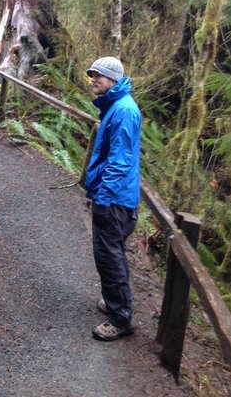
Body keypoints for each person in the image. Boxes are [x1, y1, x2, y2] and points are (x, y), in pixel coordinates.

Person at [84, 56, 141, 341]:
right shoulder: (115, 106)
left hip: (116, 200)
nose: (93, 79)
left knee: (109, 258)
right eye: (92, 75)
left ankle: (120, 319)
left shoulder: (123, 111)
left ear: (113, 79)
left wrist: (103, 199)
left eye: (99, 75)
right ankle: (113, 298)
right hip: (113, 196)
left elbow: (120, 161)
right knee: (110, 254)